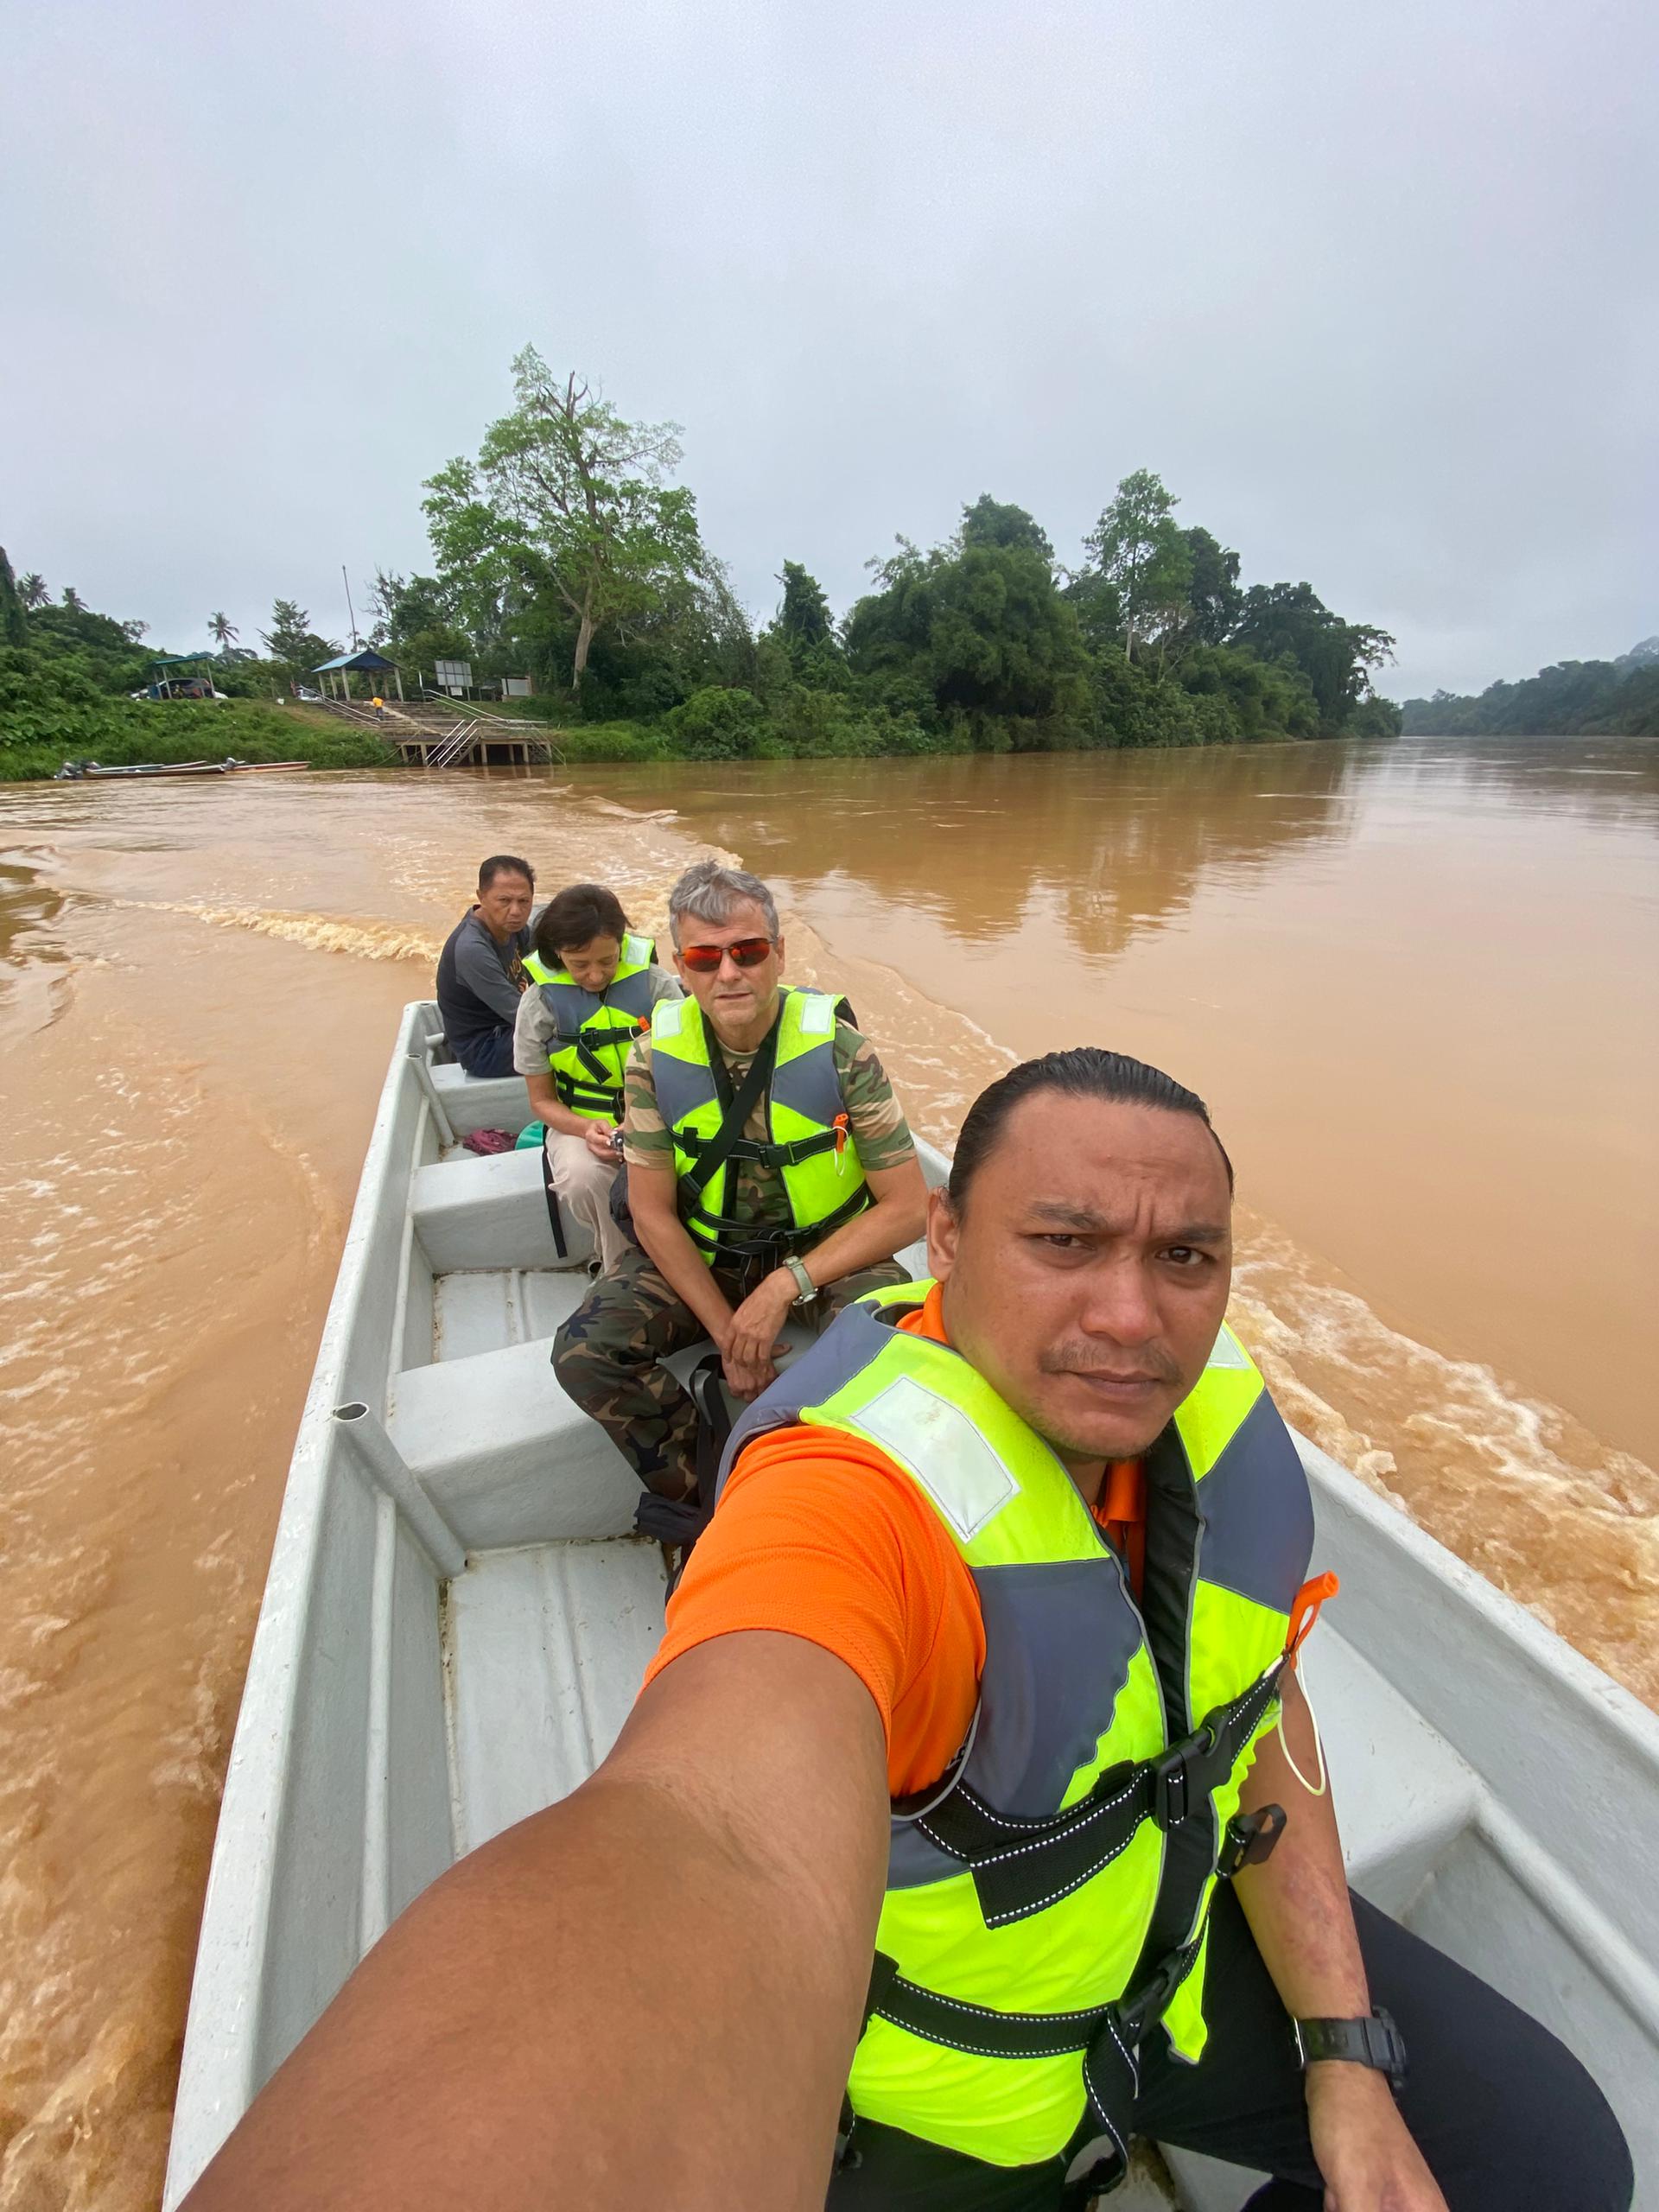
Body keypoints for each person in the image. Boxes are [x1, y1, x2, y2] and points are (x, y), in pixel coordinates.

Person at [177, 1048, 1632, 2212]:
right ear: (944, 1240)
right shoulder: (853, 1500)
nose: (1133, 1315)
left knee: (1550, 2160)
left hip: (1171, 1967)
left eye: (1185, 1258)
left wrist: (1341, 2058)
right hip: (944, 2081)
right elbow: (710, 1834)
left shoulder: (1207, 1418)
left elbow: (1254, 1706)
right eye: (1064, 1242)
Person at [552, 859, 928, 1522]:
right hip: (707, 1254)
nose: (728, 973)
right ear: (681, 966)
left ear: (778, 954)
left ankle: (860, 1506)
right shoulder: (651, 1060)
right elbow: (651, 1213)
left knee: (906, 1351)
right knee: (585, 1352)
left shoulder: (842, 1051)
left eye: (747, 952)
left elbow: (907, 1208)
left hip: (827, 1254)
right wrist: (729, 1332)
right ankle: (715, 1497)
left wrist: (784, 1286)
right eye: (705, 958)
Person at [515, 880, 683, 1275]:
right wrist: (586, 1129)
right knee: (584, 1176)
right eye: (580, 964)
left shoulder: (656, 984)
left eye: (607, 961)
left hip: (658, 1112)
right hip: (579, 1122)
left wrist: (642, 1121)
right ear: (558, 954)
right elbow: (541, 1101)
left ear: (622, 945)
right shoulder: (538, 1004)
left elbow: (689, 1068)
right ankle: (620, 1272)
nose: (595, 975)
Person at [435, 855, 537, 1078]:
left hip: (507, 1028)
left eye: (524, 901)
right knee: (577, 1041)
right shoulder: (472, 949)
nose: (516, 911)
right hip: (484, 1049)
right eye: (504, 900)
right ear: (481, 897)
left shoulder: (516, 929)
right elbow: (525, 1018)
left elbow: (547, 976)